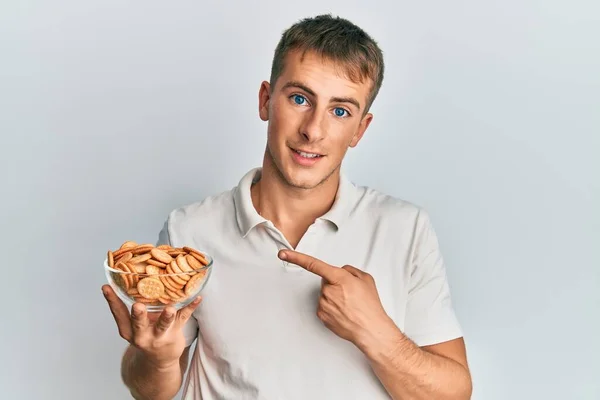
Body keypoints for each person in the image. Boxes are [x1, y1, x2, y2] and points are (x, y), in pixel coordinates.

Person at [102, 13, 472, 400]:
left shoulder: (404, 229)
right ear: (266, 100)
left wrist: (374, 331)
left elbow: (453, 394)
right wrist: (157, 360)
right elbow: (150, 390)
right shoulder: (191, 229)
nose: (313, 129)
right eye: (300, 99)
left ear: (360, 129)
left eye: (340, 111)